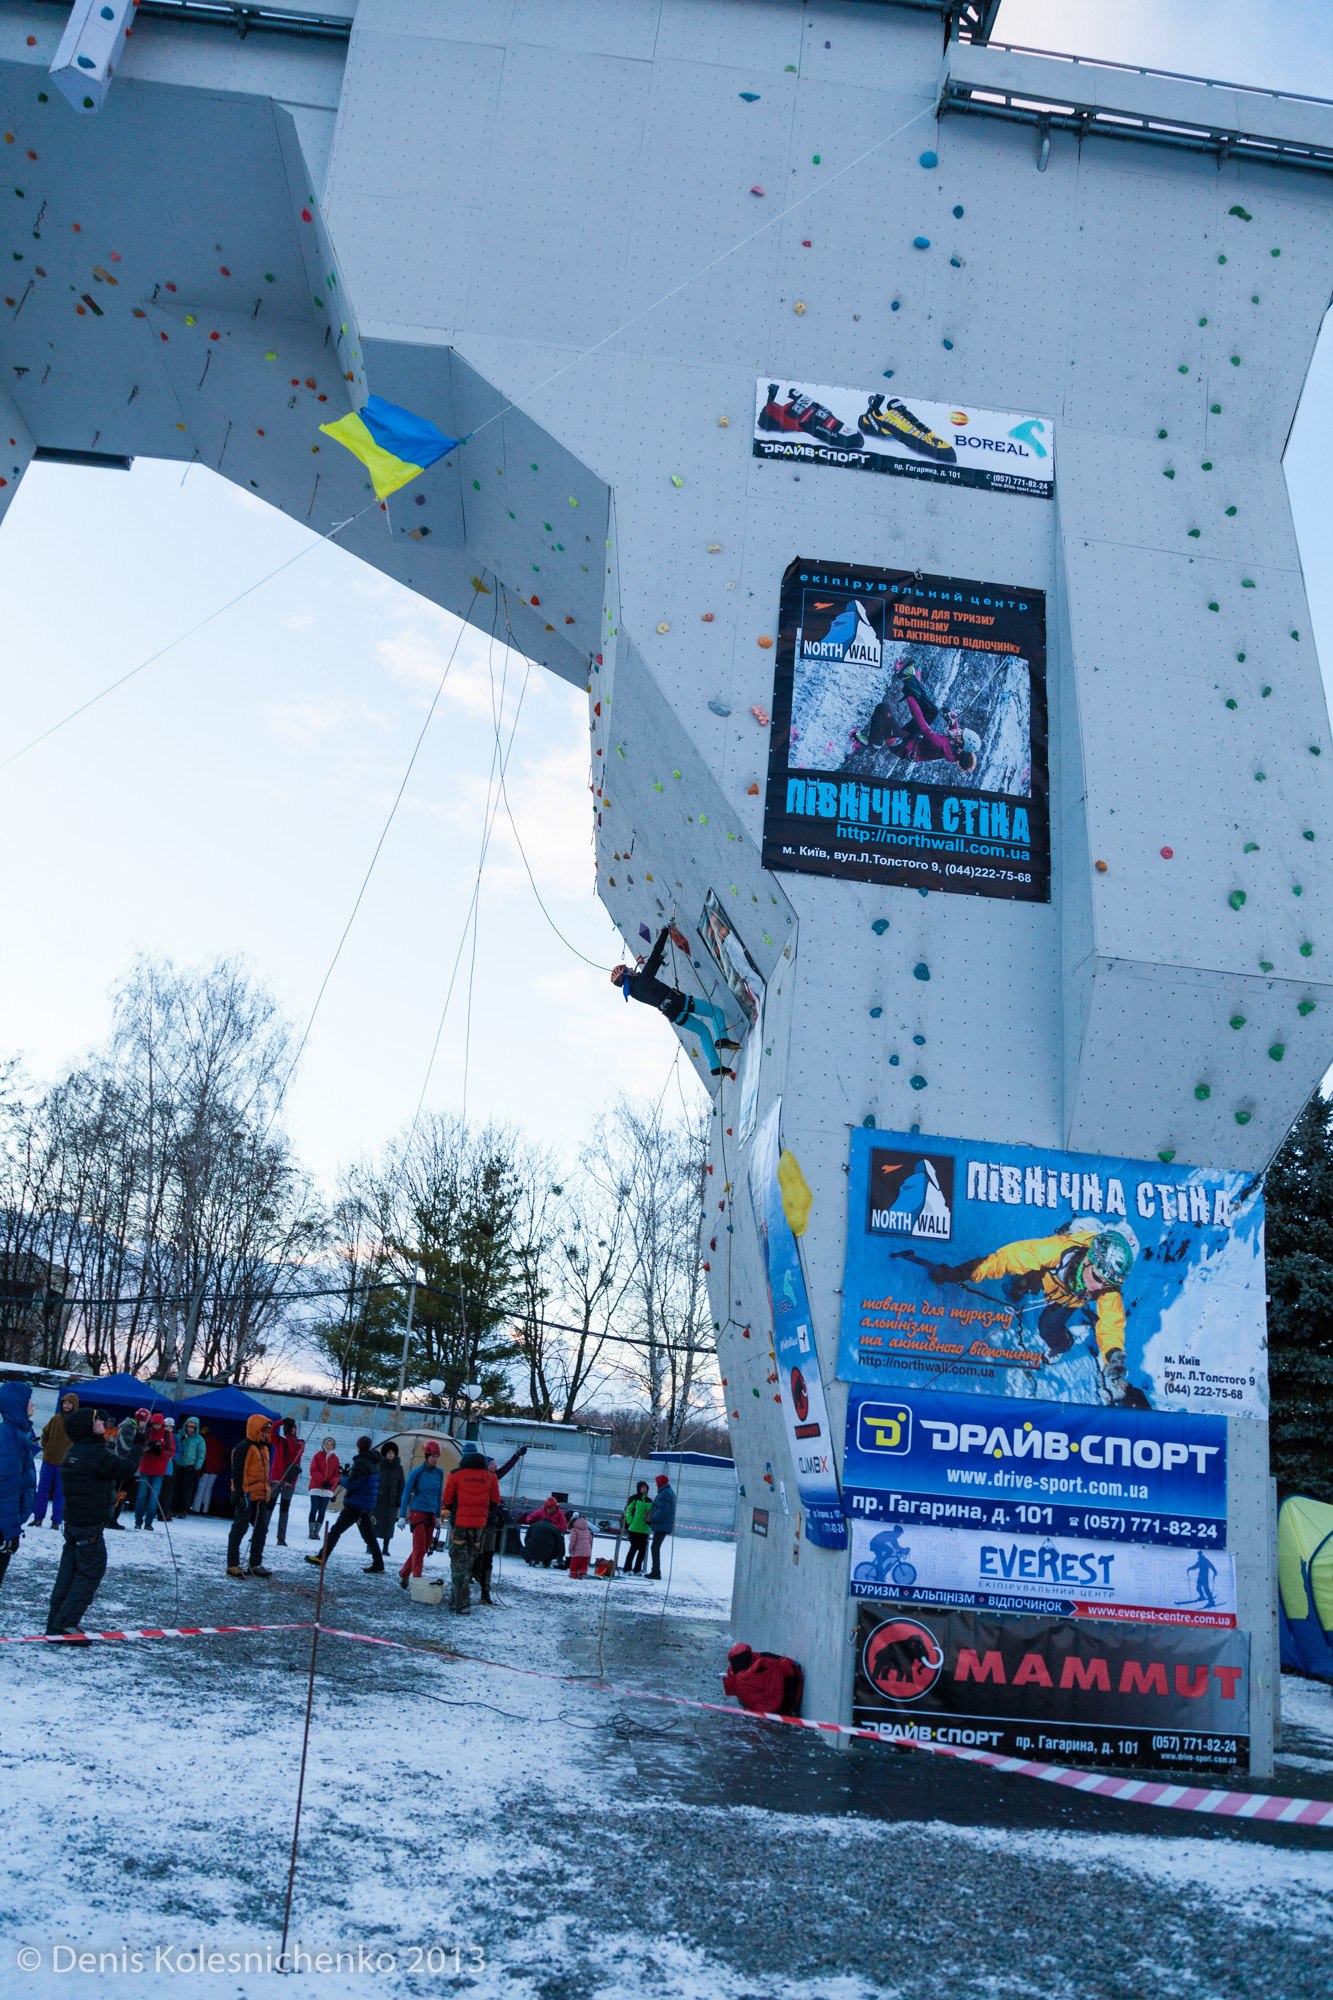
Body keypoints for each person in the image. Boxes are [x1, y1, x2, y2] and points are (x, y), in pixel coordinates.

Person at [929, 1221, 1141, 1405]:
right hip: (1050, 1277)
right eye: (1097, 1278)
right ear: (1089, 1259)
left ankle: (1062, 1345)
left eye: (1107, 1283)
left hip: (1068, 1299)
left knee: (1048, 1327)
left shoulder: (1107, 1287)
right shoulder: (1054, 1251)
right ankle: (1021, 1286)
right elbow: (1006, 1259)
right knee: (1025, 1280)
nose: (1099, 1287)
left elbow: (1111, 1323)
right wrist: (962, 1272)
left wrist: (1114, 1356)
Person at [45, 1408, 146, 1642]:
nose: (102, 1422)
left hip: (74, 1526)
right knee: (89, 1574)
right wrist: (139, 1446)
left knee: (68, 1576)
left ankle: (55, 1623)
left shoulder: (77, 1451)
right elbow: (125, 1469)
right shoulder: (93, 1453)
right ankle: (66, 1625)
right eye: (97, 1420)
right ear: (86, 1427)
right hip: (88, 1528)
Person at [611, 926, 740, 1080]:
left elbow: (649, 974)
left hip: (673, 1015)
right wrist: (664, 931)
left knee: (703, 1032)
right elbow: (655, 954)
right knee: (715, 1012)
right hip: (680, 1002)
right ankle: (722, 1039)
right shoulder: (642, 980)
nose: (632, 968)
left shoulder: (634, 992)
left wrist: (649, 965)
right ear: (626, 974)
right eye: (628, 968)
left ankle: (715, 1067)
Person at [853, 660, 978, 774]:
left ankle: (874, 743)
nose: (959, 729)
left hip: (901, 746)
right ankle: (907, 676)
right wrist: (952, 719)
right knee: (932, 711)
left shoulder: (940, 744)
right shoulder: (957, 747)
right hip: (912, 738)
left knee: (883, 709)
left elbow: (922, 724)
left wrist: (910, 698)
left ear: (960, 740)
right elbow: (953, 730)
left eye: (961, 732)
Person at [306, 1434, 384, 1574]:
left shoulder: (362, 1462)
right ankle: (378, 1563)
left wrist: (343, 1478)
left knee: (336, 1531)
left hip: (356, 1503)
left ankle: (321, 1557)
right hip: (365, 1503)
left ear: (359, 1447)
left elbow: (353, 1484)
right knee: (369, 1536)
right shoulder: (375, 1462)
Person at [442, 1442, 500, 1614]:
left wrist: (456, 1511)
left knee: (458, 1562)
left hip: (460, 1525)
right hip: (478, 1528)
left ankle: (461, 1603)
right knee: (469, 1562)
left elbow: (447, 1500)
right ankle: (457, 1600)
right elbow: (495, 1501)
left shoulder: (455, 1475)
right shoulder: (490, 1477)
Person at [471, 1445, 528, 1604]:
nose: (495, 1466)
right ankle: (474, 1575)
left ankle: (485, 1593)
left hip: (490, 1524)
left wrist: (516, 1455)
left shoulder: (494, 1477)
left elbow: (507, 1468)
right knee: (478, 1555)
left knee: (488, 1557)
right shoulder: (480, 1480)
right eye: (492, 1463)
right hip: (480, 1524)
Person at [0, 1380, 39, 1590]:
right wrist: (10, 1532)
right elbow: (6, 1487)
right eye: (28, 1401)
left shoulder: (16, 1434)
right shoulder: (9, 1436)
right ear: (17, 1404)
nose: (32, 1405)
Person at [226, 1415, 274, 1579]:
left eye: (268, 1431)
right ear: (256, 1429)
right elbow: (238, 1473)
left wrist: (266, 1491)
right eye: (263, 1431)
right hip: (246, 1495)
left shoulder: (264, 1449)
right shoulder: (243, 1447)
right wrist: (241, 1494)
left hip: (260, 1496)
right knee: (240, 1528)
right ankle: (232, 1564)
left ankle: (255, 1564)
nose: (266, 1434)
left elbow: (265, 1474)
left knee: (261, 1530)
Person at [398, 1441, 444, 1589]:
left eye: (437, 1456)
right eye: (433, 1456)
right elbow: (406, 1493)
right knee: (419, 1547)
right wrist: (402, 1515)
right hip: (417, 1512)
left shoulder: (439, 1473)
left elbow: (438, 1495)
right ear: (427, 1456)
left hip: (431, 1514)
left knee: (424, 1548)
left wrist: (438, 1515)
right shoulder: (417, 1472)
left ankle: (404, 1573)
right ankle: (417, 1579)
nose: (435, 1459)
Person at [34, 1391, 79, 1529]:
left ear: (74, 1406)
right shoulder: (55, 1419)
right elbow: (44, 1434)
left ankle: (56, 1521)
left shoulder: (76, 1422)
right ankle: (38, 1518)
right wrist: (45, 1447)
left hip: (64, 1465)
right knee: (42, 1491)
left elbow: (79, 1441)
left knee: (60, 1494)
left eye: (69, 1403)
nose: (66, 1405)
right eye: (65, 1403)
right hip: (48, 1461)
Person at [722, 1642, 803, 1716]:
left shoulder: (734, 1678)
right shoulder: (764, 1661)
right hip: (782, 1702)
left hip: (766, 1710)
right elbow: (788, 1666)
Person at [134, 1413, 175, 1530]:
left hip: (158, 1471)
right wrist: (148, 1448)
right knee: (141, 1496)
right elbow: (139, 1448)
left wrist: (160, 1452)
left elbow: (171, 1451)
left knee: (153, 1498)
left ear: (162, 1424)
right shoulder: (146, 1432)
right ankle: (138, 1521)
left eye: (158, 1424)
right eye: (154, 1424)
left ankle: (148, 1523)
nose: (156, 1426)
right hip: (145, 1468)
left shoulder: (167, 1435)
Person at [270, 1417, 306, 1546]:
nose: (292, 1429)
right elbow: (271, 1430)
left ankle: (281, 1537)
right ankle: (260, 1532)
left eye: (294, 1427)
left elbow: (293, 1450)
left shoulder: (300, 1444)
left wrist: (289, 1436)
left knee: (284, 1510)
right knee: (268, 1508)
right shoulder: (279, 1441)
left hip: (289, 1482)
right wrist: (282, 1422)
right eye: (291, 1427)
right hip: (275, 1480)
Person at [372, 1440, 405, 1561]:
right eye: (389, 1452)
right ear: (385, 1453)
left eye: (393, 1452)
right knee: (374, 1522)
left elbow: (401, 1484)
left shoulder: (399, 1468)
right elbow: (374, 1481)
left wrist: (399, 1499)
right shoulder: (379, 1466)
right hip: (378, 1499)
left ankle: (385, 1547)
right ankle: (370, 1545)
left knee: (389, 1525)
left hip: (391, 1500)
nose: (391, 1454)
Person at [306, 1436, 341, 1540]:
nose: (329, 1446)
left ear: (334, 1446)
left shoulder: (335, 1459)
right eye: (327, 1444)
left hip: (327, 1489)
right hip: (316, 1487)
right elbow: (313, 1470)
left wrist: (330, 1483)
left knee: (322, 1511)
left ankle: (317, 1532)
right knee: (314, 1509)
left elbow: (337, 1474)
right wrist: (322, 1481)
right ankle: (311, 1531)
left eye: (331, 1444)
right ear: (323, 1445)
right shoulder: (317, 1456)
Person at [172, 1417, 205, 1518]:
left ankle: (183, 1510)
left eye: (193, 1427)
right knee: (175, 1488)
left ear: (196, 1428)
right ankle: (173, 1509)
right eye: (189, 1426)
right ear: (185, 1426)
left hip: (190, 1467)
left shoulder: (199, 1439)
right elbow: (173, 1448)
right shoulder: (179, 1435)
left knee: (186, 1490)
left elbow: (201, 1454)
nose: (190, 1428)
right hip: (177, 1466)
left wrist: (197, 1467)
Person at [192, 1424, 227, 1515]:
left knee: (201, 1488)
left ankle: (196, 1508)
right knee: (208, 1489)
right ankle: (205, 1509)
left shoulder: (203, 1442)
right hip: (215, 1470)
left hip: (206, 1469)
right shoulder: (218, 1442)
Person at [648, 1472, 676, 1580]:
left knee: (654, 1547)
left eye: (657, 1482)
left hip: (661, 1525)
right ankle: (655, 1571)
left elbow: (662, 1510)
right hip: (664, 1525)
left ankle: (656, 1572)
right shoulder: (668, 1492)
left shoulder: (664, 1493)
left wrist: (653, 1518)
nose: (656, 1485)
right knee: (655, 1547)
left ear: (660, 1483)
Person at [622, 1481, 652, 1575]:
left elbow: (651, 1513)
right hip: (634, 1528)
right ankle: (627, 1569)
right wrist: (630, 1522)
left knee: (643, 1550)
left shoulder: (649, 1501)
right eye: (642, 1487)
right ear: (638, 1488)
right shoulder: (633, 1498)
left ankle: (637, 1569)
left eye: (646, 1488)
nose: (644, 1489)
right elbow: (628, 1510)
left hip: (645, 1529)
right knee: (633, 1548)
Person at [566, 1511, 593, 1579]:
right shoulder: (587, 1529)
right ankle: (582, 1574)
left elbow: (573, 1541)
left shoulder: (574, 1530)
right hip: (587, 1550)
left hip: (577, 1551)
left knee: (574, 1564)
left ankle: (573, 1575)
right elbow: (590, 1539)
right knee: (584, 1564)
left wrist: (570, 1549)